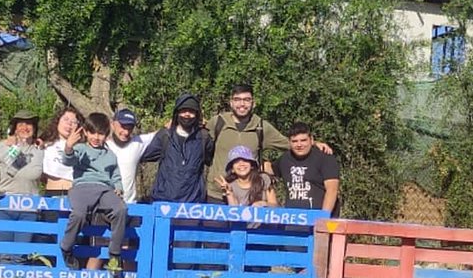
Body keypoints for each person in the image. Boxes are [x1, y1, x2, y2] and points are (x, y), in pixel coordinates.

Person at [203, 83, 331, 201]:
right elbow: (200, 142)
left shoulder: (261, 127)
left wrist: (314, 144)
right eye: (237, 100)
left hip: (249, 196)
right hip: (216, 194)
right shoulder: (218, 122)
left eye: (247, 100)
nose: (242, 104)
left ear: (254, 103)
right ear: (231, 103)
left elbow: (289, 143)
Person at [59, 112, 128, 273]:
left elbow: (115, 175)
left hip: (104, 189)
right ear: (86, 132)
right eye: (92, 133)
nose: (96, 137)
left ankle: (115, 253)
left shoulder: (110, 155)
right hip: (82, 187)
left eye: (101, 133)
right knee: (79, 214)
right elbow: (68, 160)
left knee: (120, 210)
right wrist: (69, 147)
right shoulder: (81, 149)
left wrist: (118, 187)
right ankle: (66, 247)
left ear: (106, 135)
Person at [140, 94, 213, 204]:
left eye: (191, 111)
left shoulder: (204, 137)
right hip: (163, 201)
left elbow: (211, 159)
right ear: (177, 113)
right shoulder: (165, 136)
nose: (187, 115)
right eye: (183, 110)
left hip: (193, 204)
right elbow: (143, 154)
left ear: (197, 114)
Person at [275, 122, 341, 215]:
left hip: (320, 220)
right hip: (293, 220)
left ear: (311, 140)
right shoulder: (285, 159)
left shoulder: (325, 158)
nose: (299, 144)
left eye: (303, 140)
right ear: (289, 142)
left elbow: (332, 190)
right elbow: (268, 171)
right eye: (294, 141)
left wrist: (323, 217)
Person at [0, 110, 44, 197]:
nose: (25, 128)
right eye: (20, 125)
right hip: (5, 203)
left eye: (28, 124)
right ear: (15, 129)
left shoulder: (41, 151)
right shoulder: (4, 146)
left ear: (34, 128)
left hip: (31, 204)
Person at [107, 109, 156, 204]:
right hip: (105, 205)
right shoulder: (103, 144)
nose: (126, 132)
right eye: (123, 126)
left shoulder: (138, 142)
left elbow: (161, 133)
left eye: (130, 128)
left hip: (130, 204)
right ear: (112, 124)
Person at [41, 107, 81, 194]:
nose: (69, 124)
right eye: (66, 119)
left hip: (75, 194)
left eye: (74, 122)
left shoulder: (81, 147)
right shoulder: (45, 144)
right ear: (57, 121)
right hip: (52, 194)